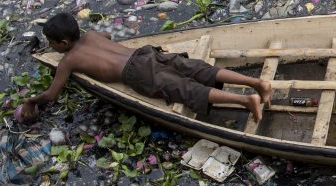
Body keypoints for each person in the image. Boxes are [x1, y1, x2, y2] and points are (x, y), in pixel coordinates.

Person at [20, 13, 272, 123]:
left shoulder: (68, 61)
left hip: (135, 72)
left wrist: (32, 101)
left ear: (63, 43)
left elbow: (51, 95)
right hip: (145, 53)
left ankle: (246, 100)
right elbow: (107, 35)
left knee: (185, 89)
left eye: (51, 44)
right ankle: (258, 84)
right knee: (197, 68)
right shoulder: (92, 35)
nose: (51, 47)